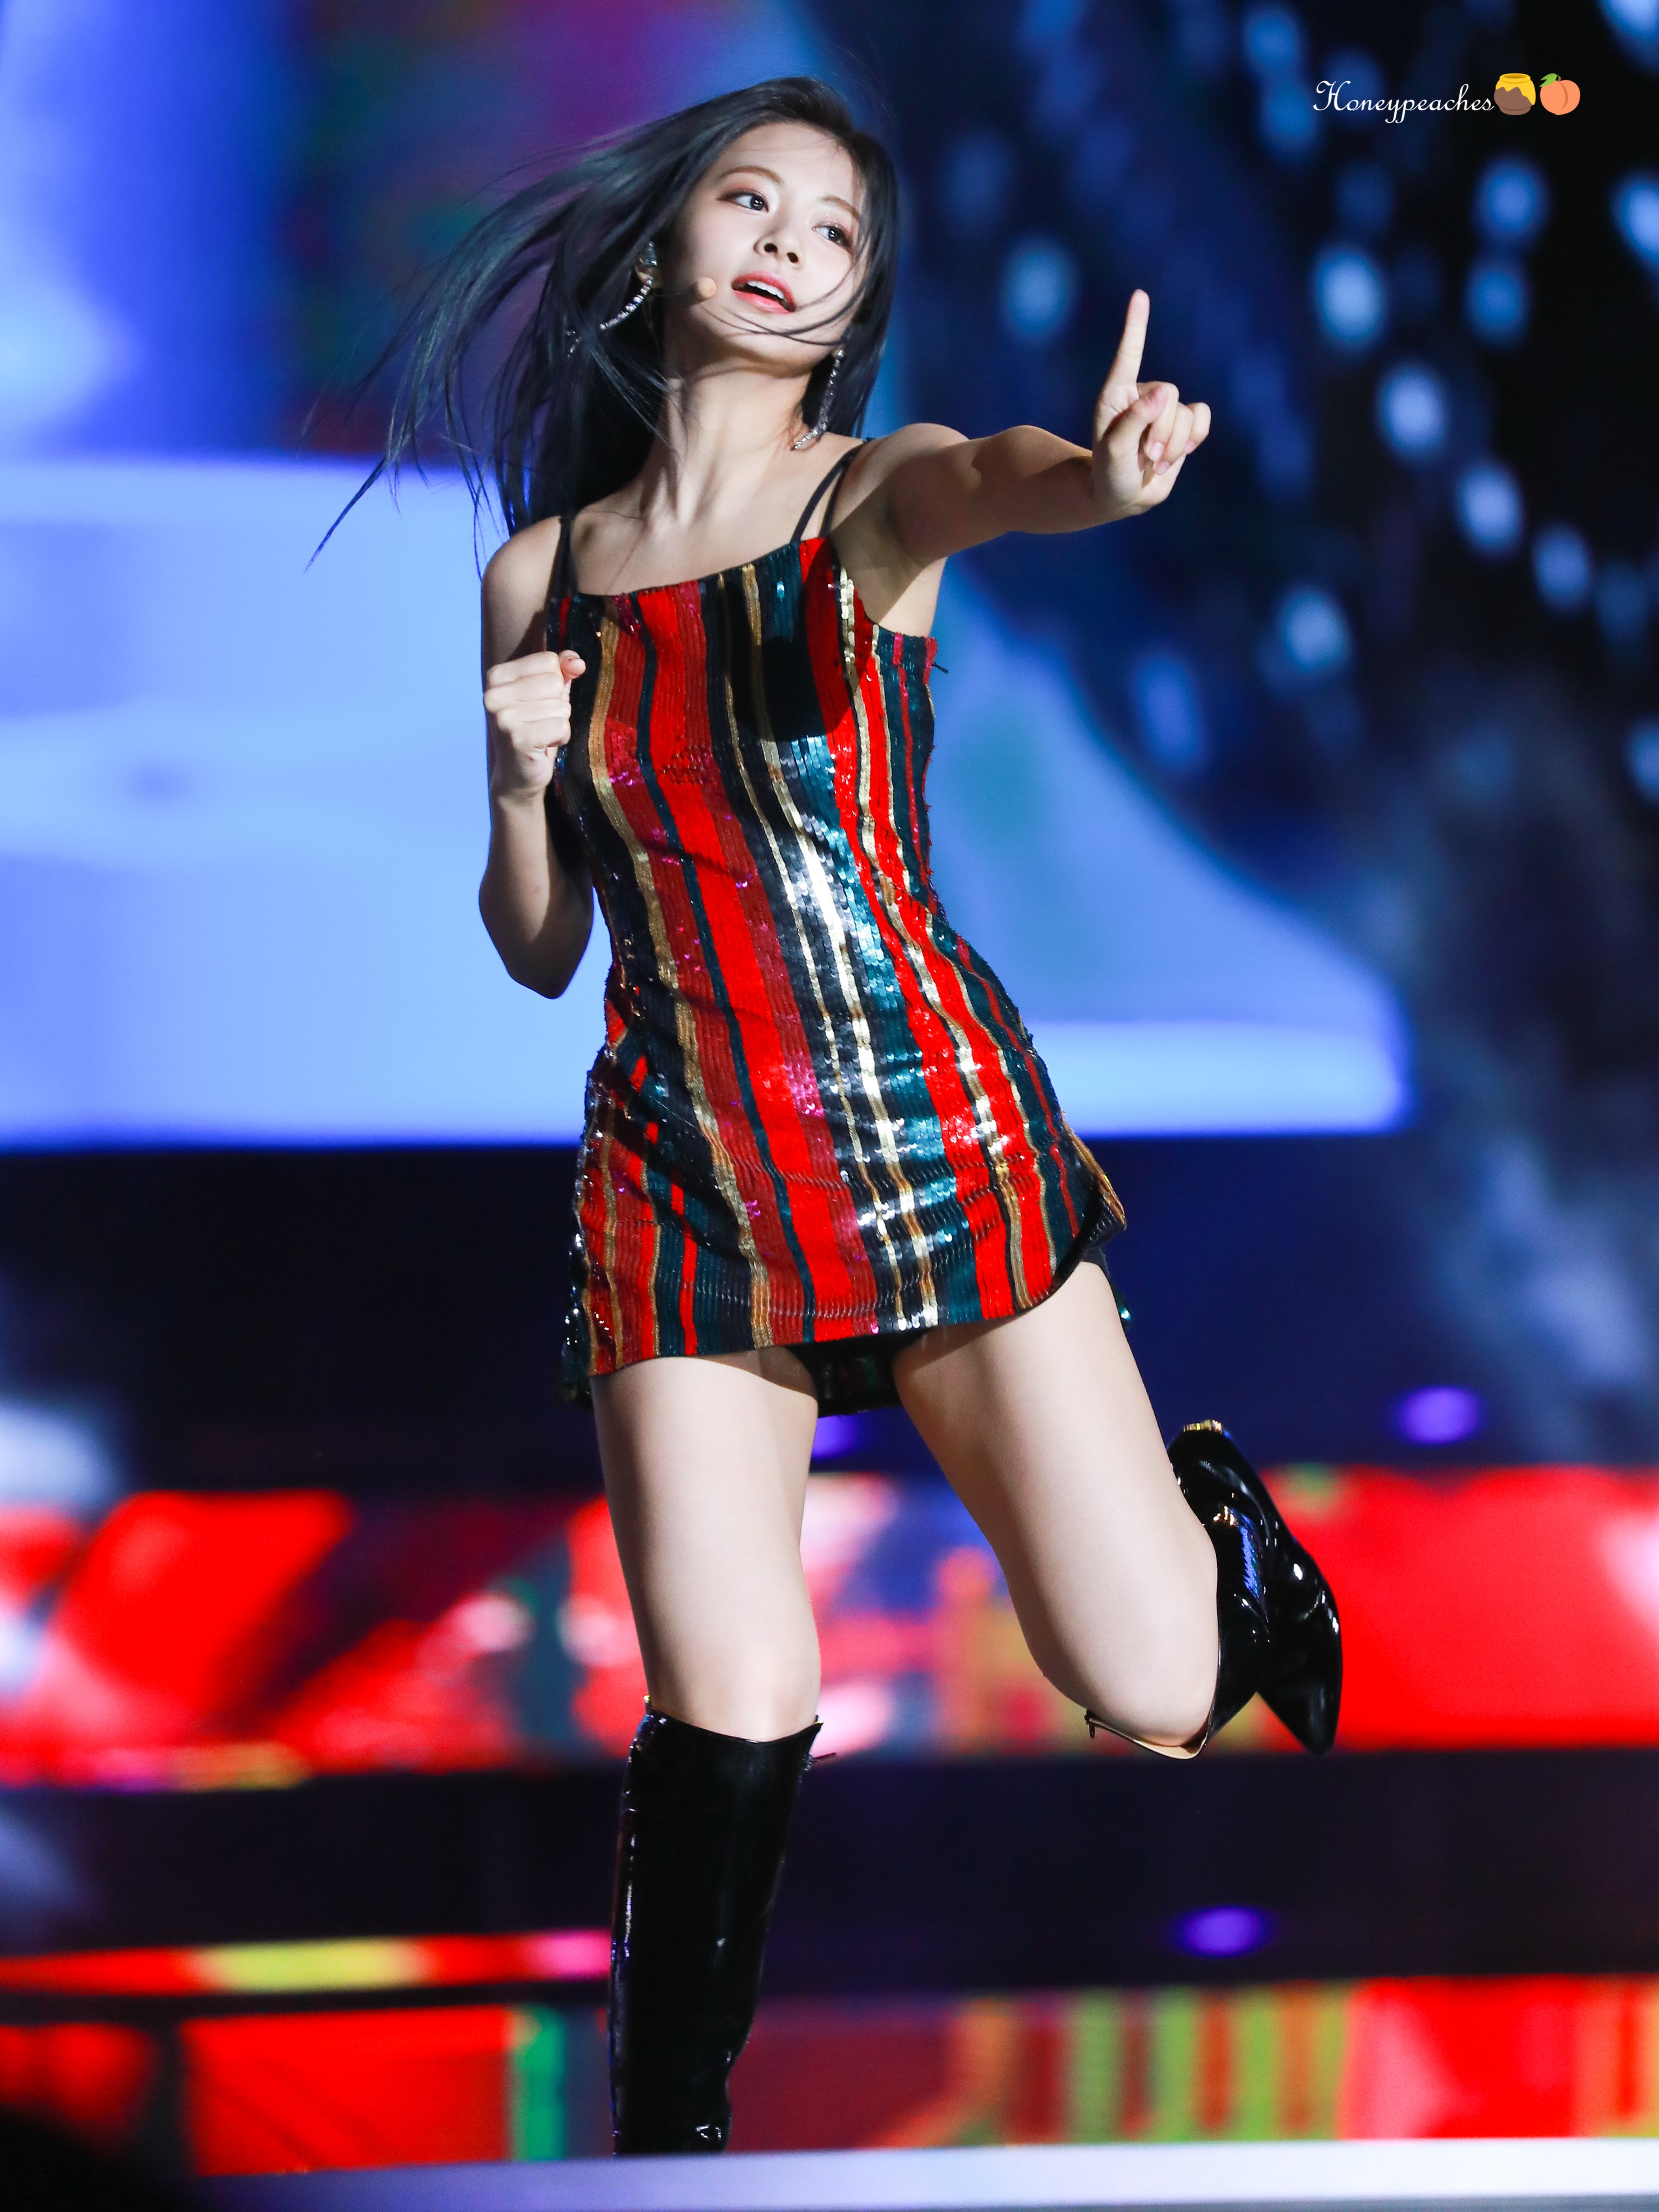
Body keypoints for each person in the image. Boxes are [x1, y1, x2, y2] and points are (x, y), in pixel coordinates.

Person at [374, 75, 1340, 2157]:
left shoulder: (872, 496)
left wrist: (1105, 478)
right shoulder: (538, 575)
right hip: (674, 1166)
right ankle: (666, 2151)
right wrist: (519, 781)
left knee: (1156, 1689)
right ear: (666, 246)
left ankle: (1218, 1533)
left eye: (832, 233)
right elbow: (539, 950)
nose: (788, 247)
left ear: (849, 308)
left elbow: (1000, 480)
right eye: (753, 202)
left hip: (923, 1129)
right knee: (725, 1687)